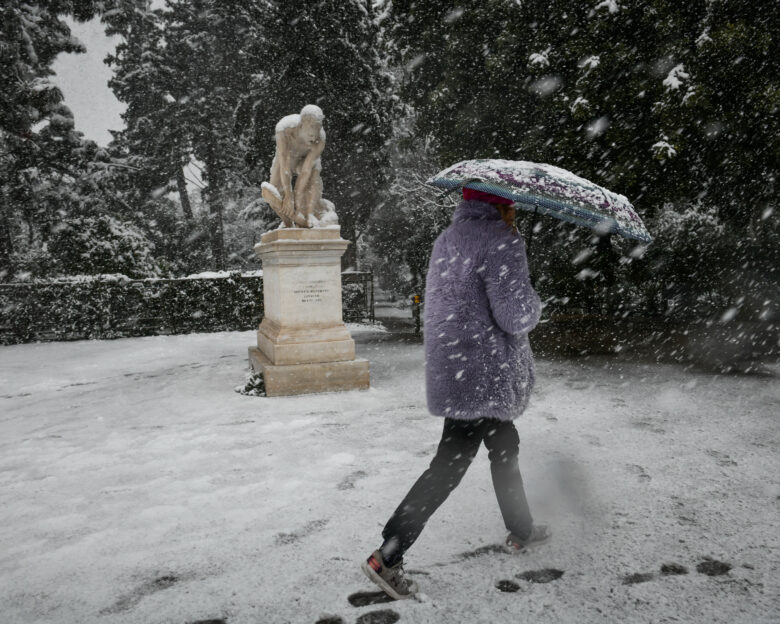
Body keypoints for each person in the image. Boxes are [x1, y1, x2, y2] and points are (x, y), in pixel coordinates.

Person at [361, 187, 549, 600]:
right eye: (511, 204)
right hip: (486, 373)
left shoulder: (448, 239)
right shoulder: (502, 241)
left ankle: (521, 528)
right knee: (450, 465)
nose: (515, 209)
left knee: (504, 446)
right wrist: (533, 300)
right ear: (502, 204)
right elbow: (515, 316)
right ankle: (388, 554)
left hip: (459, 368)